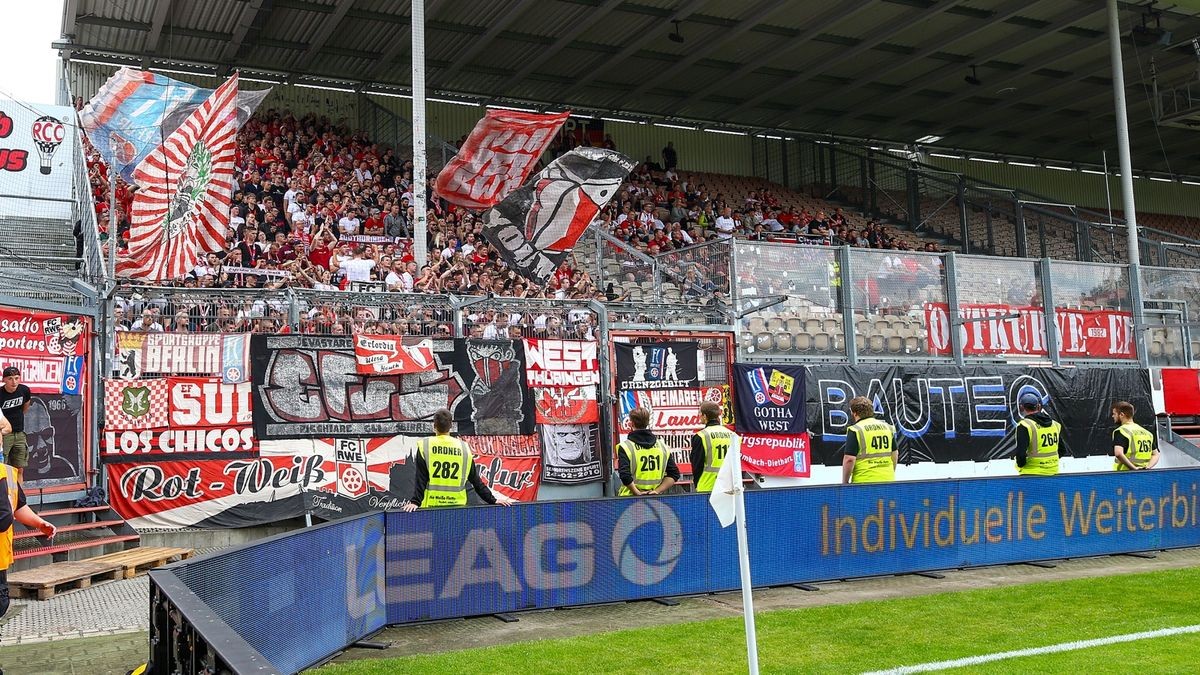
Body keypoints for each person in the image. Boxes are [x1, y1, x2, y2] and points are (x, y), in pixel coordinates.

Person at [400, 409, 515, 510]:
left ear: (434, 426)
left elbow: (421, 478)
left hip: (433, 507)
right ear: (451, 426)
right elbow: (475, 480)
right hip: (457, 507)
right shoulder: (464, 447)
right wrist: (492, 500)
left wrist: (415, 502)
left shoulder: (425, 445)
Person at [1, 426, 57, 626]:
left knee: (2, 603)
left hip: (1, 558)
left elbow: (17, 506)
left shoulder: (7, 473)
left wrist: (39, 523)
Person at [617, 407, 680, 496]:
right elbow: (674, 474)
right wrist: (657, 491)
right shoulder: (662, 446)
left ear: (631, 423)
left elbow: (625, 476)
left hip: (629, 500)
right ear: (647, 422)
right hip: (654, 499)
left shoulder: (626, 447)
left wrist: (637, 493)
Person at [842, 396, 897, 484]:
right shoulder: (887, 427)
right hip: (888, 479)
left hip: (864, 481)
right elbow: (894, 453)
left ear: (855, 413)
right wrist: (889, 473)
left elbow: (849, 459)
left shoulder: (855, 430)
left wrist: (845, 482)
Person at [690, 401, 737, 493]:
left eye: (700, 413)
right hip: (729, 485)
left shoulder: (701, 436)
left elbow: (697, 464)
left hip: (707, 486)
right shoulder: (732, 435)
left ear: (705, 416)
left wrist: (696, 483)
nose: (699, 416)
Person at [1014, 392, 1061, 476]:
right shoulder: (1054, 424)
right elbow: (1062, 450)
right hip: (1053, 472)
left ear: (1021, 407)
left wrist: (1021, 465)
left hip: (1031, 473)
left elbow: (1021, 454)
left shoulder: (1025, 425)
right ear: (1039, 406)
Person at [0, 367, 32, 483]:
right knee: (3, 468)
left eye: (16, 378)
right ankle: (5, 499)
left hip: (19, 434)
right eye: (10, 379)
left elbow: (26, 406)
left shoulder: (24, 390)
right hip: (4, 435)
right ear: (4, 380)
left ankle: (18, 499)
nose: (14, 382)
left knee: (19, 469)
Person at [1111, 401, 1159, 471]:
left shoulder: (1121, 431)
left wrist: (1134, 468)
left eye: (1114, 414)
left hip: (1123, 474)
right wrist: (1148, 467)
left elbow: (1118, 453)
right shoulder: (1147, 433)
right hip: (1142, 475)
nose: (1113, 416)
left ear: (1121, 414)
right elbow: (1156, 454)